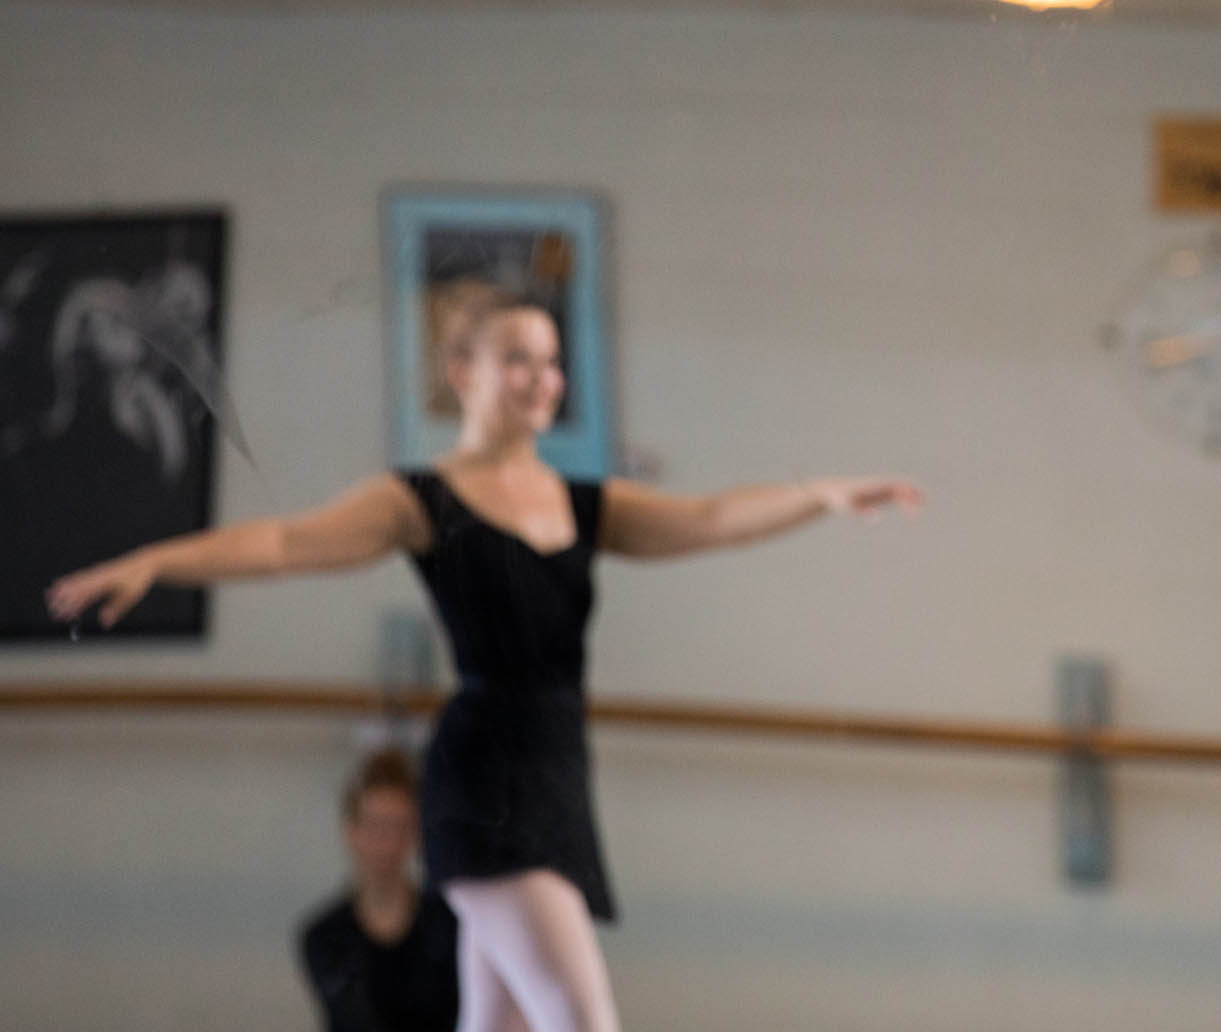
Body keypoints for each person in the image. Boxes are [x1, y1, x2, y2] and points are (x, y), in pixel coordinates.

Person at [50, 287, 922, 1032]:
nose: (542, 380)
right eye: (518, 360)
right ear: (462, 371)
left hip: (558, 775)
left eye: (551, 362)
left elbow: (706, 519)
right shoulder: (417, 498)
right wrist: (159, 561)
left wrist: (818, 495)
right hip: (485, 787)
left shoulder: (587, 501)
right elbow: (286, 540)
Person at [299, 749, 460, 1032]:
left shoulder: (450, 927)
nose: (386, 843)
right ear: (351, 831)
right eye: (376, 826)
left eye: (398, 826)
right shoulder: (324, 939)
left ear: (415, 833)